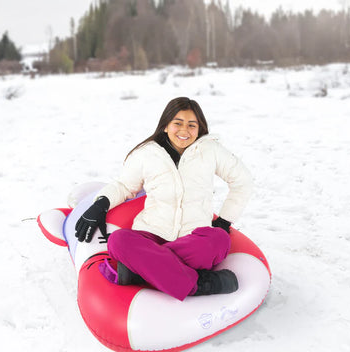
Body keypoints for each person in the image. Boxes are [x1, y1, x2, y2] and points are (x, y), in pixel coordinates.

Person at [75, 97, 252, 301]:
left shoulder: (211, 151)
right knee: (118, 241)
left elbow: (243, 180)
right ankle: (197, 284)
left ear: (200, 129)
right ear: (166, 126)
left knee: (219, 239)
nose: (184, 130)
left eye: (191, 125)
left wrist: (224, 220)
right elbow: (123, 186)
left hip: (192, 237)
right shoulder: (147, 154)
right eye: (178, 123)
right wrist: (101, 204)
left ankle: (140, 271)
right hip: (151, 234)